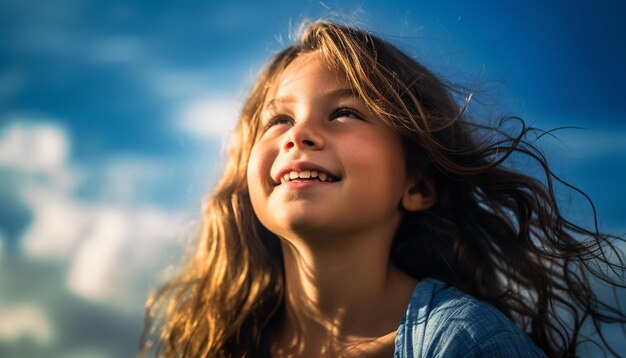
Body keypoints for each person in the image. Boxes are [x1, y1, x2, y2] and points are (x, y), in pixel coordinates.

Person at [140, 20, 626, 357]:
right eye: (280, 119)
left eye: (345, 113)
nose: (297, 135)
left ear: (416, 184)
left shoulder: (462, 342)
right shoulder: (224, 343)